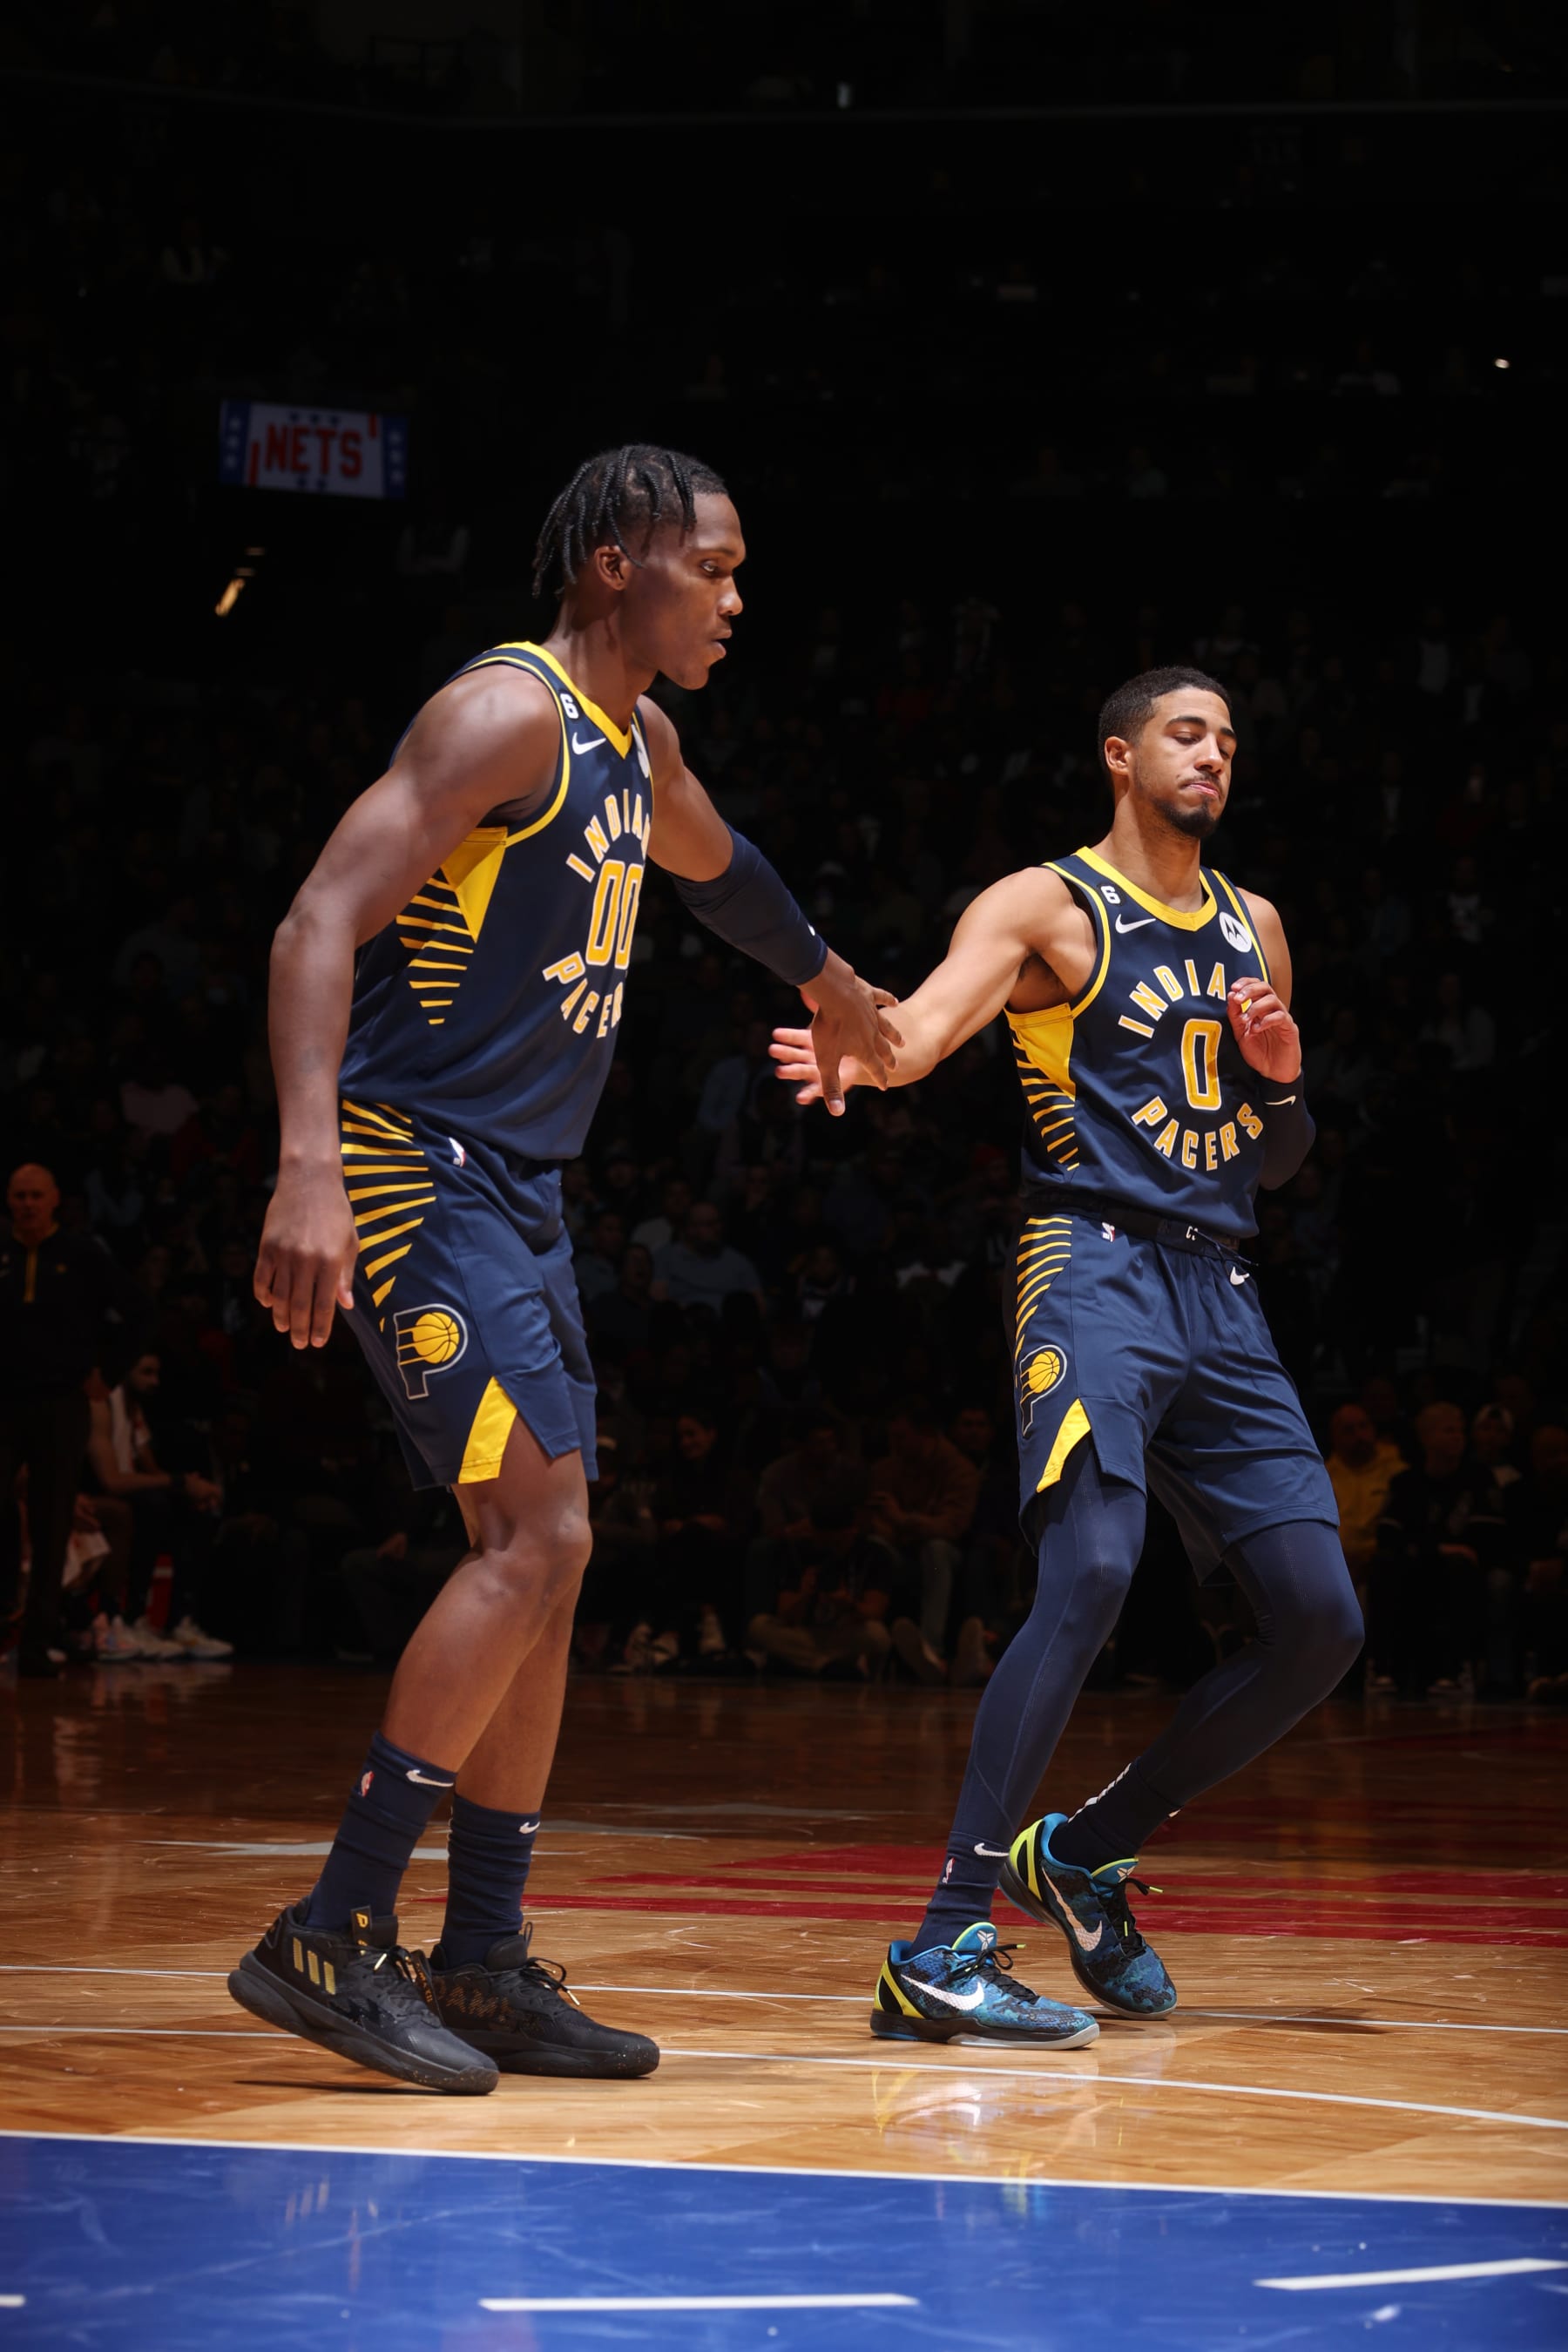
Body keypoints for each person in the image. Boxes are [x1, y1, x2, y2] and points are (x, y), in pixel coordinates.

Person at [232, 443, 897, 2094]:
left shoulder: (636, 741)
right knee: (541, 1534)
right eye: (716, 567)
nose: (737, 599)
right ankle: (334, 1926)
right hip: (406, 1168)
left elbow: (723, 870)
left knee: (554, 1558)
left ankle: (482, 1961)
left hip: (516, 1192)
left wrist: (834, 984)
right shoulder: (505, 714)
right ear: (617, 562)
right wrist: (306, 1164)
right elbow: (317, 921)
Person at [774, 666, 1362, 2049]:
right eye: (1186, 732)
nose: (1214, 754)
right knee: (1093, 1567)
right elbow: (920, 1032)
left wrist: (1279, 1077)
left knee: (1323, 1622)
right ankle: (941, 1943)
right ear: (1119, 754)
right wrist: (861, 1041)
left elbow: (1278, 1156)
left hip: (1221, 1287)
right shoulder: (1049, 904)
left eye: (1228, 737)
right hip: (1089, 1264)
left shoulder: (1254, 925)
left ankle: (1083, 1856)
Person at [0, 1163, 144, 1676]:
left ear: (55, 1198)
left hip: (62, 1404)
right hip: (6, 1403)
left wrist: (107, 1373)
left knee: (52, 1520)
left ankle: (36, 1645)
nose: (27, 1204)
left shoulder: (81, 1254)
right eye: (19, 1195)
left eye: (36, 1195)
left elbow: (138, 1310)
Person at [84, 1350, 233, 1659]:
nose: (155, 1381)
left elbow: (151, 1471)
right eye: (146, 1373)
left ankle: (180, 1620)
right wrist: (177, 1482)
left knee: (196, 1511)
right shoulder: (103, 1402)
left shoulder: (135, 1409)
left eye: (157, 1373)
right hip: (95, 1492)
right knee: (154, 1507)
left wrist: (188, 1488)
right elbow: (112, 1480)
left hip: (134, 1494)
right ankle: (128, 1616)